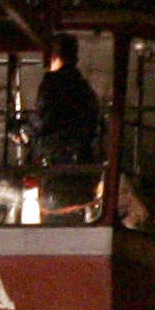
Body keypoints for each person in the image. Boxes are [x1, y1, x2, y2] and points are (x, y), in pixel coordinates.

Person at [25, 39, 105, 221]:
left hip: (58, 169)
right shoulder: (84, 87)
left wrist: (25, 131)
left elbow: (43, 122)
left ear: (54, 55)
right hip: (83, 167)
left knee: (55, 221)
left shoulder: (52, 84)